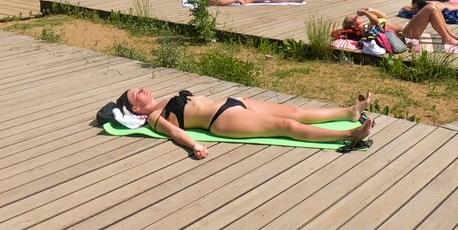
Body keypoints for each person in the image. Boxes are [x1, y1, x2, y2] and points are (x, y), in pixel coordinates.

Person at [112, 87, 374, 158]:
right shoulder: (155, 118)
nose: (142, 90)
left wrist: (237, 98)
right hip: (221, 120)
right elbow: (174, 133)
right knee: (285, 126)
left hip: (230, 103)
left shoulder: (164, 99)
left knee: (293, 110)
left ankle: (348, 112)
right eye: (137, 94)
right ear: (135, 107)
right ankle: (350, 134)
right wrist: (195, 146)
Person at [341, 6, 458, 47]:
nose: (355, 16)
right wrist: (366, 13)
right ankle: (446, 38)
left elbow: (382, 16)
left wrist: (371, 9)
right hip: (406, 34)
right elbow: (377, 23)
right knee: (430, 8)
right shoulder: (363, 28)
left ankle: (449, 34)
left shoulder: (366, 22)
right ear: (352, 24)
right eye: (352, 18)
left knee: (434, 7)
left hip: (407, 28)